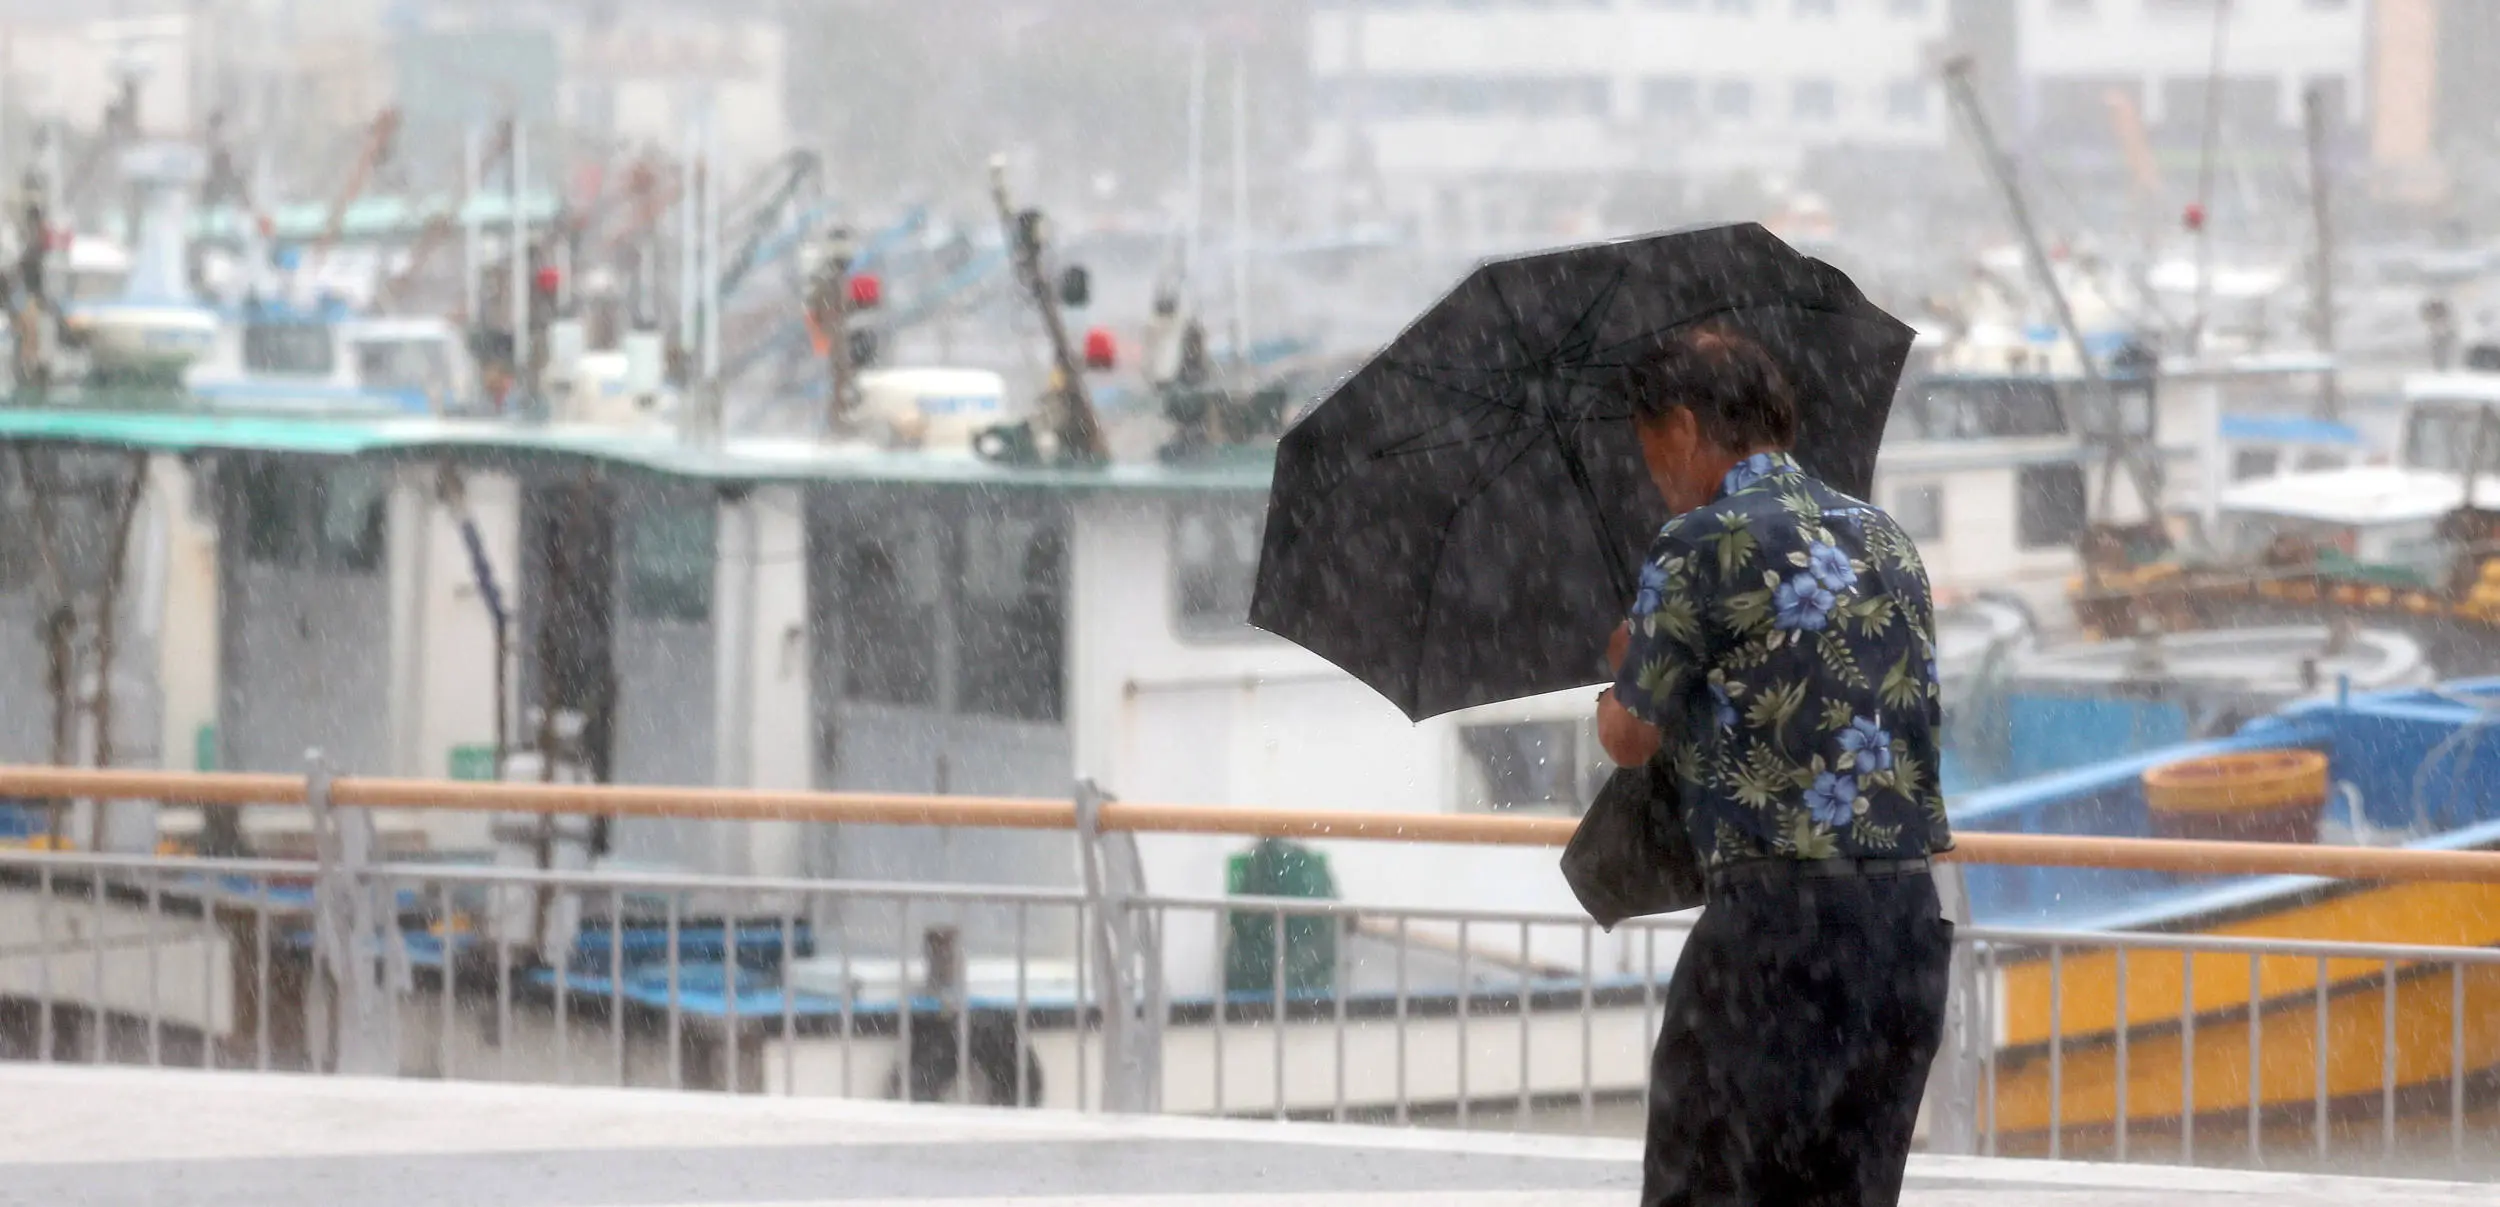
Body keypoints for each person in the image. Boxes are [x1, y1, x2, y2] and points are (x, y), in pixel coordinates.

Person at [1595, 324, 1954, 1207]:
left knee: (1706, 1185)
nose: (1657, 479)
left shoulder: (1698, 543)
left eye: (1653, 456)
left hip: (1777, 933)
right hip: (1904, 931)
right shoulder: (1886, 538)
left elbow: (1629, 737)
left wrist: (1621, 674)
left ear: (1679, 427)